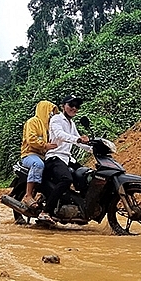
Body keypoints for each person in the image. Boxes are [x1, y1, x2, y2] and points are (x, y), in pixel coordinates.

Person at [39, 94, 91, 223]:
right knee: (66, 179)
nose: (74, 108)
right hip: (54, 157)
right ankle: (46, 212)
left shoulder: (71, 123)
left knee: (87, 177)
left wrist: (95, 148)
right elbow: (60, 134)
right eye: (71, 105)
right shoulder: (57, 119)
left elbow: (78, 141)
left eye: (77, 106)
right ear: (63, 106)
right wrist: (77, 139)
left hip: (67, 159)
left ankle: (81, 208)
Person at [20, 100, 59, 208]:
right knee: (38, 165)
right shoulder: (33, 122)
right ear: (44, 111)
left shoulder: (47, 128)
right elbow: (31, 139)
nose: (52, 115)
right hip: (29, 154)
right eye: (50, 112)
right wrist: (45, 145)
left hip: (42, 156)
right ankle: (28, 195)